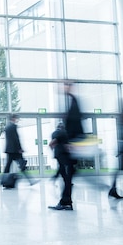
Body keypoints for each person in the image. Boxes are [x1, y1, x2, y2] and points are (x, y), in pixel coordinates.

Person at [48, 81, 82, 210]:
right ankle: (66, 201)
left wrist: (70, 143)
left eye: (65, 85)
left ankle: (65, 201)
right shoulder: (70, 102)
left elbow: (76, 125)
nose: (62, 87)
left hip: (70, 147)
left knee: (68, 176)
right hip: (70, 146)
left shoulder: (73, 102)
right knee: (69, 176)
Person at [3, 114, 36, 186]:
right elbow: (16, 139)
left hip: (9, 150)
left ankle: (4, 180)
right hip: (15, 150)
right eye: (16, 118)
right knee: (22, 165)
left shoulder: (7, 127)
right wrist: (20, 148)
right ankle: (31, 180)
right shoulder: (13, 127)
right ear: (13, 119)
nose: (17, 120)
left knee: (8, 165)